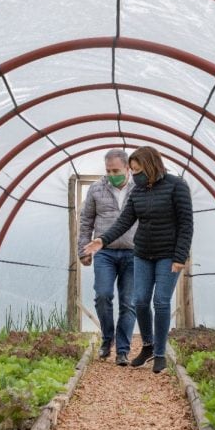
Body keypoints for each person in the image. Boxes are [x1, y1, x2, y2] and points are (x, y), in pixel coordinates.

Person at [84, 146, 193, 373]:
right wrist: (102, 241)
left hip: (168, 255)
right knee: (140, 301)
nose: (134, 175)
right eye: (132, 170)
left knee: (161, 302)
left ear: (151, 165)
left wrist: (180, 256)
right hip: (142, 253)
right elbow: (124, 221)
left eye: (137, 169)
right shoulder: (138, 192)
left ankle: (160, 353)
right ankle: (148, 346)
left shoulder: (177, 186)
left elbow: (186, 224)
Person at [77, 149, 137, 366]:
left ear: (127, 168)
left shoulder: (139, 188)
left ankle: (123, 350)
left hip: (134, 252)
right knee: (102, 295)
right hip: (105, 252)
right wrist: (84, 251)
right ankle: (107, 339)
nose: (112, 174)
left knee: (129, 302)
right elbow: (86, 222)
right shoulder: (96, 189)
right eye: (108, 170)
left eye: (116, 170)